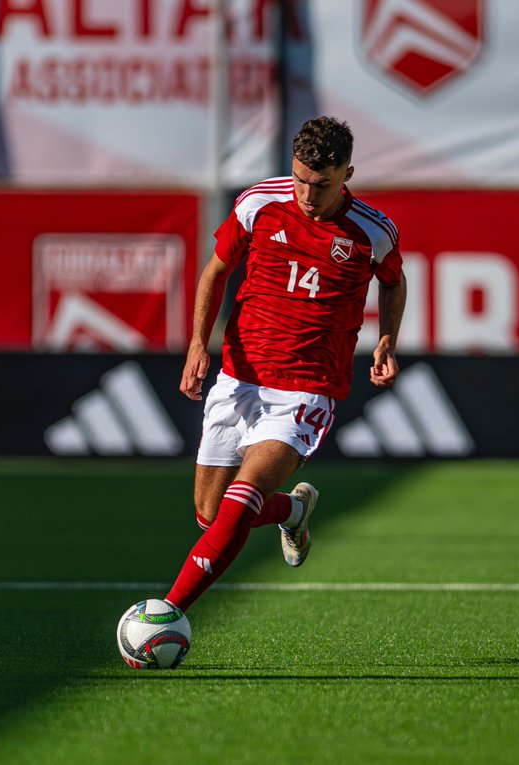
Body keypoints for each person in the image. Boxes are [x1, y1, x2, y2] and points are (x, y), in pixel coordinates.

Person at [162, 116, 406, 613]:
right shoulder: (259, 203)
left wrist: (387, 341)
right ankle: (294, 511)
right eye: (299, 179)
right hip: (239, 376)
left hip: (306, 388)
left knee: (238, 506)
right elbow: (216, 270)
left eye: (321, 184)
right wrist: (195, 344)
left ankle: (167, 613)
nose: (307, 195)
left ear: (348, 175)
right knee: (210, 515)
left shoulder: (372, 231)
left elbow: (394, 282)